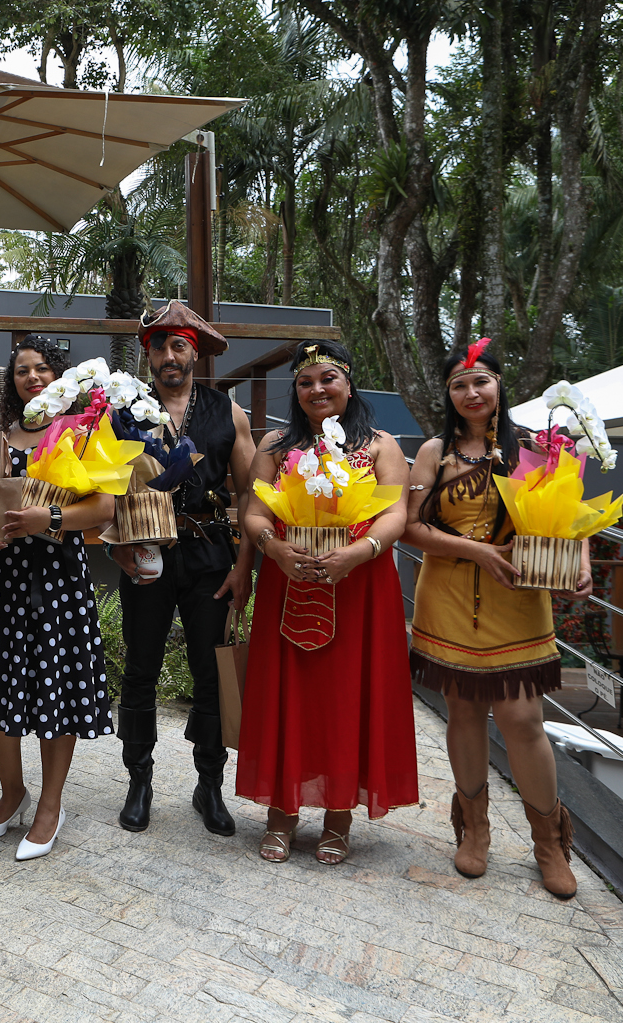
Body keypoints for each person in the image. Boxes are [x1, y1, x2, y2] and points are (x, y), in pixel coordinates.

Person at [403, 339, 589, 898]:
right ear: (448, 394)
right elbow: (410, 527)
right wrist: (478, 552)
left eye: (480, 380)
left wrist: (580, 559)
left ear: (500, 384)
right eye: (459, 384)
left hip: (519, 600)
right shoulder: (434, 452)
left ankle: (549, 842)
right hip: (449, 599)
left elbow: (571, 511)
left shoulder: (535, 446)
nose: (471, 392)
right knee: (463, 712)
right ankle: (475, 829)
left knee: (523, 719)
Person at [235, 339, 419, 864]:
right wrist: (273, 549)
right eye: (305, 382)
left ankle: (339, 818)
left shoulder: (381, 445)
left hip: (359, 585)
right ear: (295, 391)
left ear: (348, 383)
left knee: (347, 697)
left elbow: (396, 514)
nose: (317, 389)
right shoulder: (275, 444)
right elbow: (254, 512)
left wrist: (358, 553)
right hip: (288, 580)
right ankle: (281, 814)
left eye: (327, 378)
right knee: (287, 694)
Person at [0, 336, 114, 861]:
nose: (32, 377)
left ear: (59, 376)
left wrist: (50, 518)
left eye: (42, 368)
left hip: (58, 576)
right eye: (22, 370)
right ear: (13, 382)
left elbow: (105, 508)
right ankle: (11, 793)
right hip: (1, 578)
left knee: (55, 690)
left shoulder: (83, 432)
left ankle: (50, 805)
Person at [112, 301, 256, 837]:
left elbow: (251, 496)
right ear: (148, 355)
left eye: (179, 346)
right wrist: (115, 547)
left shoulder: (228, 412)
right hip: (145, 549)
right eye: (159, 347)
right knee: (140, 668)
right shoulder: (122, 409)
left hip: (209, 552)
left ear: (195, 353)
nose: (168, 356)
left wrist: (244, 567)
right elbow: (102, 488)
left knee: (211, 672)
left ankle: (209, 785)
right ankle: (139, 782)